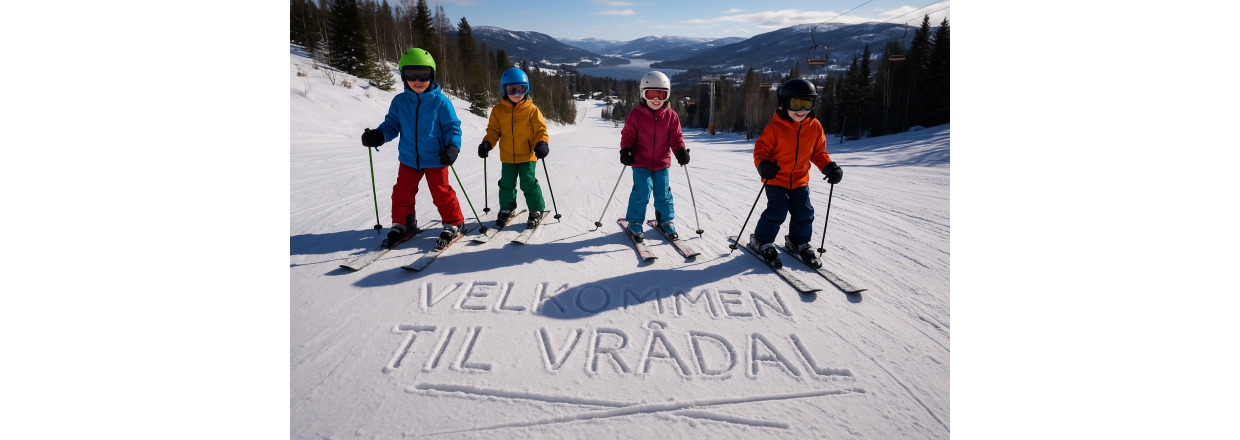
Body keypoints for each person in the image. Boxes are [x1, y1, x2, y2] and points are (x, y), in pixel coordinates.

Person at [360, 48, 465, 247]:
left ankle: (454, 222)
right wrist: (379, 136)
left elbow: (453, 127)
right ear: (403, 75)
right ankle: (404, 223)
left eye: (423, 74)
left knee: (441, 192)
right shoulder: (400, 101)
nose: (417, 80)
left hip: (436, 158)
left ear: (432, 75)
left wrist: (452, 148)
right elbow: (391, 124)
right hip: (409, 158)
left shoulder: (441, 102)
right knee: (402, 192)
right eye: (411, 74)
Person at [750, 78, 843, 268]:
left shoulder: (815, 126)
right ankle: (762, 240)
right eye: (796, 103)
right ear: (784, 103)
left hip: (800, 180)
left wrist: (829, 166)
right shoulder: (774, 128)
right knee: (778, 210)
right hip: (776, 179)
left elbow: (818, 153)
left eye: (807, 103)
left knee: (804, 212)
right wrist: (763, 165)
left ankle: (797, 242)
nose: (801, 109)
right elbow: (760, 150)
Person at [619, 71, 689, 242]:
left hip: (661, 163)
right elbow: (627, 135)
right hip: (640, 162)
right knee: (642, 191)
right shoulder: (636, 115)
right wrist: (626, 150)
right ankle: (635, 222)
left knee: (663, 192)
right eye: (651, 95)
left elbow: (676, 137)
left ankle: (665, 221)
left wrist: (680, 150)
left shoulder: (671, 116)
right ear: (643, 94)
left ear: (667, 95)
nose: (656, 100)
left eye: (661, 95)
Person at [478, 68, 549, 228]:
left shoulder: (532, 110)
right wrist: (487, 143)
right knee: (506, 184)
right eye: (512, 89)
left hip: (528, 155)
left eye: (521, 89)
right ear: (504, 89)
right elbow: (493, 130)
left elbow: (540, 130)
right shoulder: (498, 110)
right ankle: (507, 208)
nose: (517, 93)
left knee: (528, 183)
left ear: (527, 89)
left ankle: (536, 209)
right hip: (508, 156)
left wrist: (542, 143)